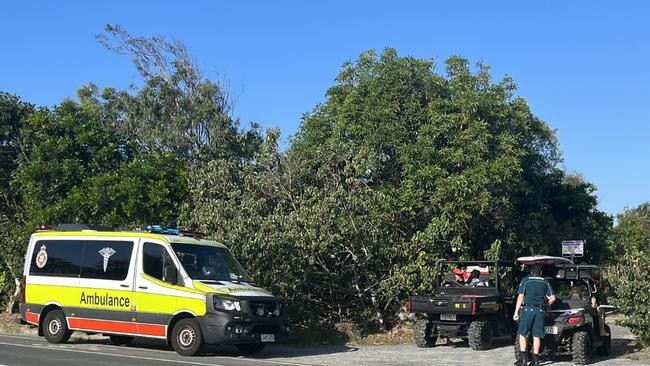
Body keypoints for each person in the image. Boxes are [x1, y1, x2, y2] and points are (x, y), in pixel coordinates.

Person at [513, 263, 556, 366]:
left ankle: (523, 360)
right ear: (540, 272)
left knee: (522, 334)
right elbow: (553, 298)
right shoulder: (545, 282)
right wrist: (546, 305)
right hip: (540, 311)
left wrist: (516, 312)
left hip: (527, 310)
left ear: (531, 271)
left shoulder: (525, 280)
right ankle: (535, 361)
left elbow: (520, 297)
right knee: (537, 335)